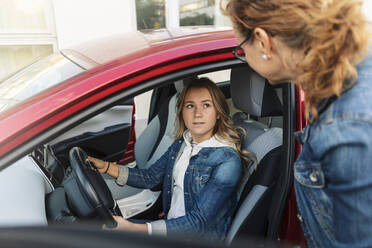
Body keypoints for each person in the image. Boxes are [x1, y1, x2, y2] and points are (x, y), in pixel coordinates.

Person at [222, 0, 372, 247]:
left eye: (241, 49)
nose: (245, 58)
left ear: (263, 41)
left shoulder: (347, 129)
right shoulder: (339, 78)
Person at [87, 78, 254, 242]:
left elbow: (198, 223)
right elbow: (150, 177)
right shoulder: (183, 143)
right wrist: (107, 167)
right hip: (170, 229)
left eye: (206, 105)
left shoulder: (226, 161)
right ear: (182, 112)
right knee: (96, 233)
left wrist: (137, 229)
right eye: (190, 106)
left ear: (218, 113)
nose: (197, 113)